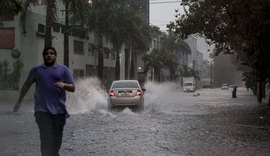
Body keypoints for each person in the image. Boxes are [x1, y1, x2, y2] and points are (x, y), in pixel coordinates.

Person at [13, 47, 75, 156]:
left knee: (56, 142)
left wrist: (64, 85)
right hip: (42, 111)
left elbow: (73, 88)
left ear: (55, 56)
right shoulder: (36, 70)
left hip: (59, 112)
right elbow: (26, 85)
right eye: (46, 53)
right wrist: (19, 102)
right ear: (43, 56)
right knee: (46, 139)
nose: (49, 55)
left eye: (51, 53)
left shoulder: (63, 69)